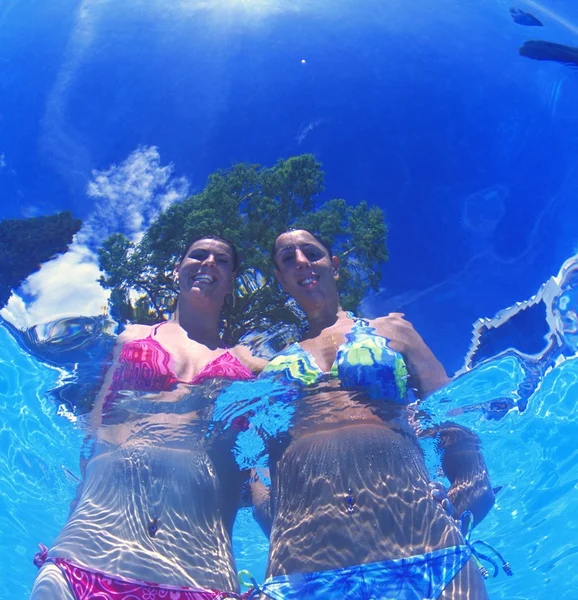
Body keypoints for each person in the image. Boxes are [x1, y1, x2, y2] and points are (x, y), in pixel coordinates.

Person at [251, 229, 494, 599]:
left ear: (334, 266)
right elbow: (258, 455)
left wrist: (466, 493)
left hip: (421, 538)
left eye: (311, 252)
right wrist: (268, 511)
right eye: (287, 259)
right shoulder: (272, 368)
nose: (301, 260)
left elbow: (450, 413)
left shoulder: (394, 330)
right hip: (305, 557)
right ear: (282, 280)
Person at [30, 235, 264, 600]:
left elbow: (255, 462)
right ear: (177, 269)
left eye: (221, 260)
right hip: (90, 549)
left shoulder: (248, 365)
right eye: (198, 255)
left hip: (199, 570)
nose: (207, 264)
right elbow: (97, 424)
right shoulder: (132, 337)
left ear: (233, 279)